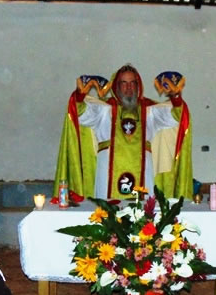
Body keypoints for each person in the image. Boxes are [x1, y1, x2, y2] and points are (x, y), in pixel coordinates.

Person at [53, 65, 193, 200]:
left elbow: (177, 116)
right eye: (124, 83)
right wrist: (80, 93)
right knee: (106, 212)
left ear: (138, 86)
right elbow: (79, 111)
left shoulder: (150, 111)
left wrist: (175, 96)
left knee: (143, 211)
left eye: (132, 83)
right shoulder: (104, 110)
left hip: (143, 174)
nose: (128, 88)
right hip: (107, 177)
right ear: (116, 86)